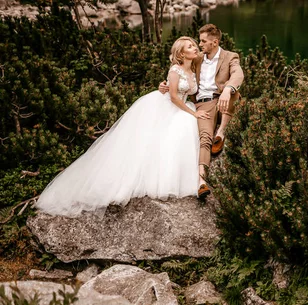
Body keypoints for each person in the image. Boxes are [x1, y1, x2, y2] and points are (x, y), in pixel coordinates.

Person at [35, 37, 204, 217]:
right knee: (154, 141)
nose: (194, 48)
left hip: (181, 106)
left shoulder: (193, 68)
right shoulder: (175, 69)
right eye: (190, 46)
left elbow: (189, 88)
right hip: (166, 106)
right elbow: (173, 96)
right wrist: (192, 113)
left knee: (180, 133)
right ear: (181, 53)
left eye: (194, 45)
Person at [159, 24, 244, 198]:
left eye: (204, 41)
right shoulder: (196, 58)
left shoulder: (230, 57)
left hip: (221, 98)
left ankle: (221, 132)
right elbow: (178, 69)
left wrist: (228, 89)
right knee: (204, 137)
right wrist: (165, 86)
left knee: (235, 94)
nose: (200, 44)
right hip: (202, 104)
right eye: (199, 41)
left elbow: (238, 74)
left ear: (215, 42)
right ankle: (201, 182)